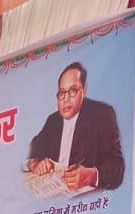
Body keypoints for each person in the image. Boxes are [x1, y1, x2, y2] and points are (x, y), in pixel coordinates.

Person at [27, 62, 125, 192]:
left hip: (85, 200)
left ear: (84, 89)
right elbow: (31, 151)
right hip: (53, 196)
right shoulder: (53, 121)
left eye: (72, 91)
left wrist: (91, 176)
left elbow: (117, 167)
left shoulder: (102, 114)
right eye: (62, 93)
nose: (66, 99)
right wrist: (34, 164)